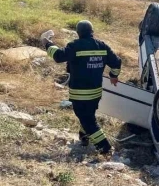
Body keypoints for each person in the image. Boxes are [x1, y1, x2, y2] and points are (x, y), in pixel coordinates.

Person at [42, 21, 122, 154]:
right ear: (92, 32)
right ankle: (84, 138)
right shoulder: (102, 46)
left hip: (80, 93)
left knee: (88, 121)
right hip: (96, 93)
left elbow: (58, 56)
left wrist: (47, 43)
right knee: (88, 116)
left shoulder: (75, 46)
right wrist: (114, 75)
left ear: (78, 33)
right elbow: (117, 62)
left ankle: (105, 148)